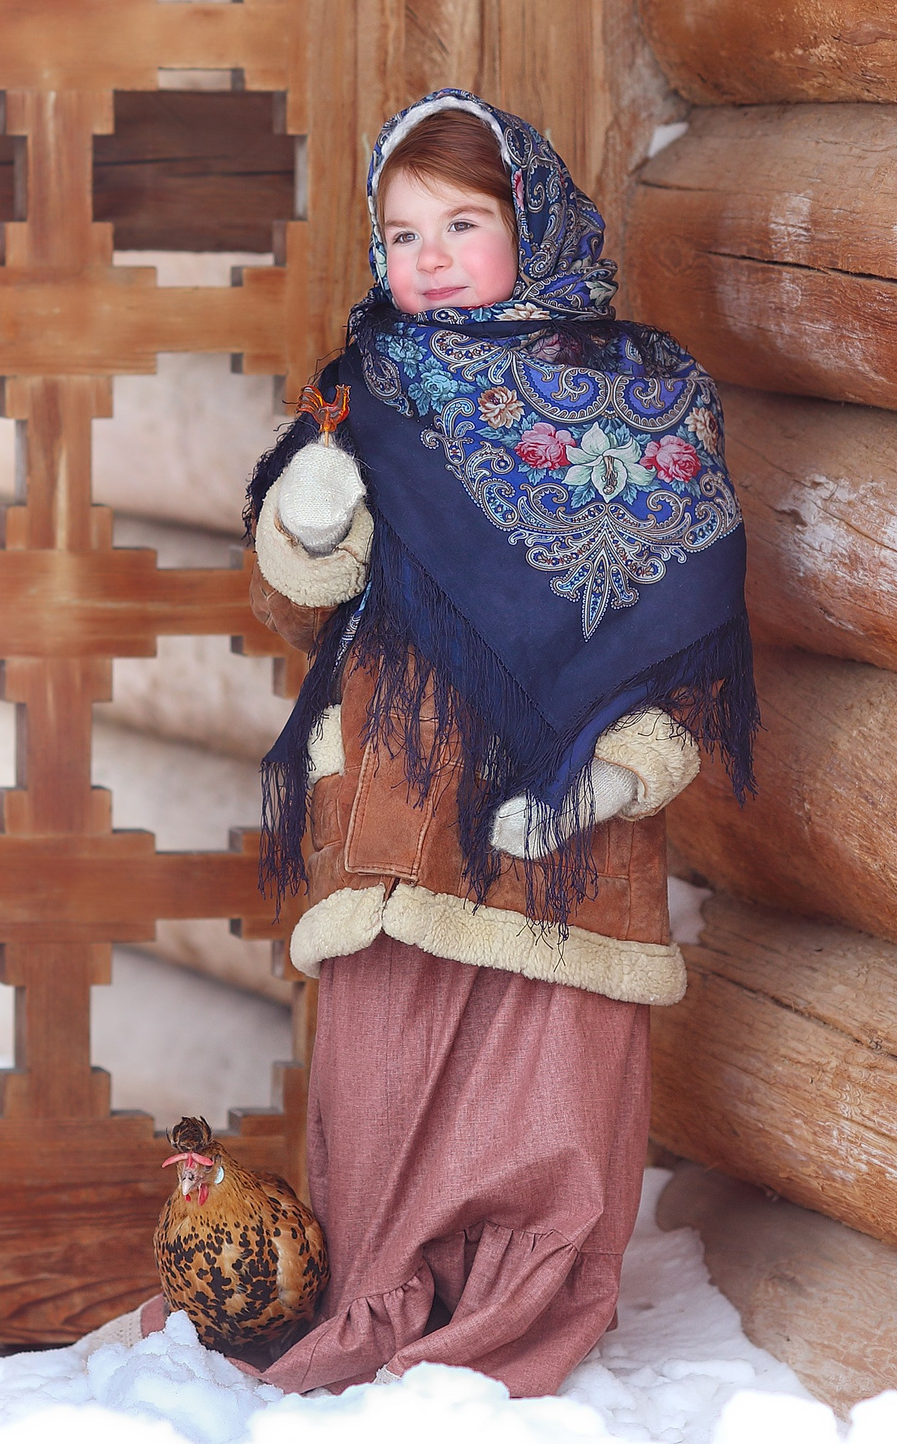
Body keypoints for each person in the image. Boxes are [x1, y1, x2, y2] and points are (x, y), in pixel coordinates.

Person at [244, 90, 754, 1396]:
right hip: (408, 772)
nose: (428, 258)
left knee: (549, 1050)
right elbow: (309, 600)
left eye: (462, 223)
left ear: (533, 222)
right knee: (396, 1040)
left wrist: (620, 765)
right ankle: (385, 1287)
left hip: (571, 770)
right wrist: (311, 520)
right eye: (400, 233)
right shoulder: (370, 388)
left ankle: (522, 1303)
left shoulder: (646, 393)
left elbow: (674, 614)